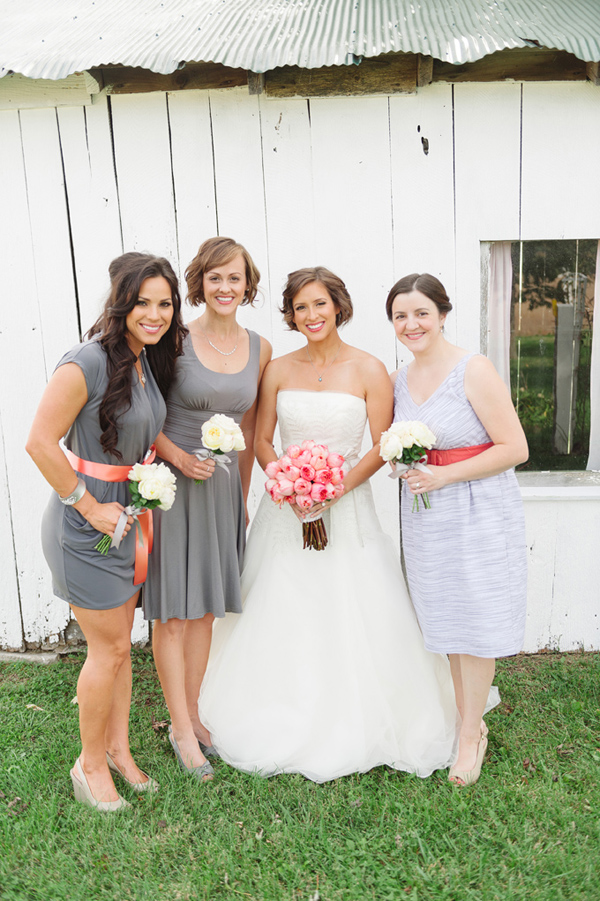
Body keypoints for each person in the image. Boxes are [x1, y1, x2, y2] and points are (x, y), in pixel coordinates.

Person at [198, 266, 460, 783]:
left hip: (347, 506)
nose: (311, 315)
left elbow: (384, 447)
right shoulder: (277, 367)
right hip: (286, 508)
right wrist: (288, 482)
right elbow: (265, 439)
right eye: (300, 307)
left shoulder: (369, 370)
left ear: (338, 305)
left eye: (320, 304)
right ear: (291, 315)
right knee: (279, 601)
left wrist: (332, 490)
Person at [26, 253, 187, 810]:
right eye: (143, 301)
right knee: (111, 647)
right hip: (86, 526)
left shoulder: (144, 360)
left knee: (120, 649)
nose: (155, 313)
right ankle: (88, 764)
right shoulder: (86, 361)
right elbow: (40, 443)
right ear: (121, 302)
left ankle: (119, 751)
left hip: (127, 521)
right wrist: (89, 506)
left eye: (165, 303)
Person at [387, 272, 528, 787]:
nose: (411, 323)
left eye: (421, 312)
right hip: (426, 517)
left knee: (476, 621)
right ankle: (462, 718)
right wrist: (402, 463)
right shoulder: (401, 378)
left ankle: (471, 735)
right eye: (401, 315)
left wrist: (444, 474)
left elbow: (515, 448)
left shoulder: (474, 369)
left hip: (476, 509)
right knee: (445, 619)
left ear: (443, 315)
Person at [144, 237, 271, 781]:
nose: (225, 287)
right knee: (173, 609)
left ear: (248, 284)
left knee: (204, 612)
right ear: (200, 283)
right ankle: (176, 726)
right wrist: (175, 457)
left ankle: (194, 715)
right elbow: (140, 412)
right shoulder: (171, 341)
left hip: (220, 491)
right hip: (171, 485)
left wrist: (240, 499)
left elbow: (245, 430)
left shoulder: (260, 348)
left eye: (235, 278)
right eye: (215, 277)